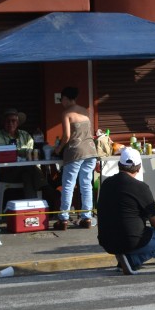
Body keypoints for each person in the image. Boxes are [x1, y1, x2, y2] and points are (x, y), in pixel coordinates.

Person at [97, 147, 155, 275]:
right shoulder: (140, 187)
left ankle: (124, 259)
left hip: (107, 241)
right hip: (131, 240)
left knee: (148, 232)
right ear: (139, 168)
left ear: (119, 165)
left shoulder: (106, 184)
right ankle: (132, 259)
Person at [52, 87, 98, 230]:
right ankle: (87, 217)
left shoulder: (66, 113)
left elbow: (66, 136)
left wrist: (58, 149)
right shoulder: (85, 110)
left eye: (62, 100)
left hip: (75, 152)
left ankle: (63, 218)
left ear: (66, 98)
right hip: (90, 150)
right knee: (86, 184)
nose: (62, 103)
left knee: (68, 185)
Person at [0, 108, 53, 199]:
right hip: (6, 173)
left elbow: (32, 154)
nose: (10, 123)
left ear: (18, 122)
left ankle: (31, 206)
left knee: (27, 175)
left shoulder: (25, 136)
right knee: (29, 169)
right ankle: (46, 189)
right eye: (7, 121)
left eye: (13, 121)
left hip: (25, 172)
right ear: (3, 122)